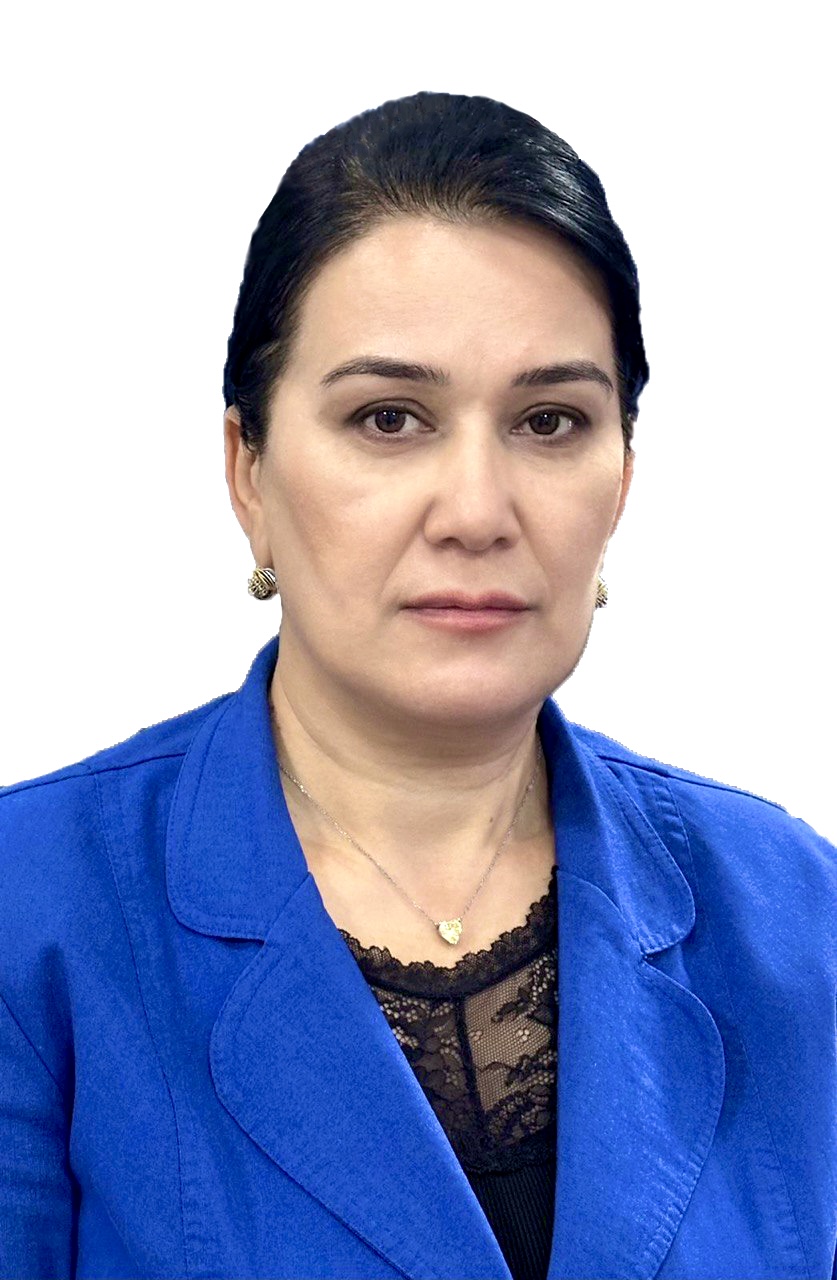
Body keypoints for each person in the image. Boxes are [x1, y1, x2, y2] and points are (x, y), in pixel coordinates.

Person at [0, 90, 834, 1280]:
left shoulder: (796, 910)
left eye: (550, 421)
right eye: (389, 418)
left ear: (622, 479)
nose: (478, 511)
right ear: (248, 471)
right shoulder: (31, 910)